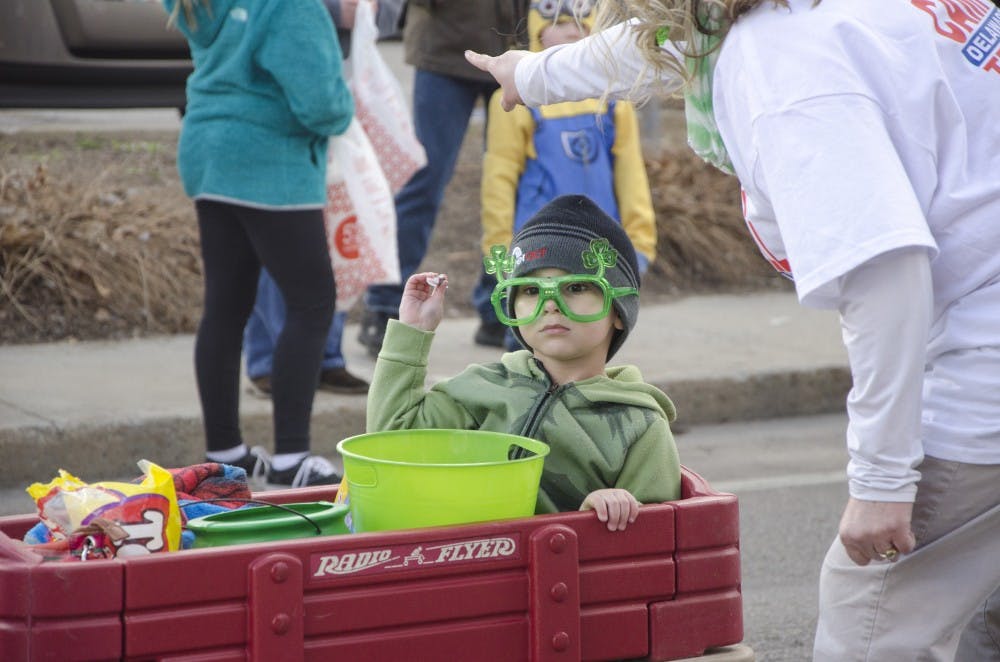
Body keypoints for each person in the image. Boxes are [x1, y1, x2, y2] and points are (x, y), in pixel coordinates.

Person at [467, 1, 1000, 659]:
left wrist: (883, 483)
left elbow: (885, 273)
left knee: (870, 614)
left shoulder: (782, 62)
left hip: (983, 360)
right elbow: (671, 43)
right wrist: (534, 73)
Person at [367, 194, 681, 529]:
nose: (550, 304)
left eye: (574, 287)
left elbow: (657, 541)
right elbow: (391, 440)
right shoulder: (483, 387)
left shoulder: (639, 423)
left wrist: (594, 515)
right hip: (470, 569)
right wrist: (412, 334)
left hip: (560, 575)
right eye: (530, 290)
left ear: (619, 311)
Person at [164, 0, 352, 488]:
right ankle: (292, 458)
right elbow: (324, 105)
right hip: (272, 164)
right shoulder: (293, 7)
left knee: (226, 305)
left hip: (208, 153)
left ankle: (225, 452)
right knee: (312, 303)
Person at [242, 0, 405, 399]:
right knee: (276, 237)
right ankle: (270, 360)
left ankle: (325, 356)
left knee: (338, 232)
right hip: (280, 95)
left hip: (340, 85)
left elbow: (392, 12)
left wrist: (372, 9)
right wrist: (334, 10)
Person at [473, 0, 656, 349]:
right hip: (534, 255)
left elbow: (631, 176)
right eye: (560, 21)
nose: (574, 30)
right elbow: (498, 179)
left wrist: (640, 240)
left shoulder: (616, 100)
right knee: (530, 350)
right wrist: (497, 247)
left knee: (588, 345)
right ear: (537, 28)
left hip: (596, 252)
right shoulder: (515, 99)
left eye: (584, 23)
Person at [355, 0, 529, 357]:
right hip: (448, 49)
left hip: (523, 54)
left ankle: (500, 304)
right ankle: (385, 305)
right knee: (424, 181)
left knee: (518, 185)